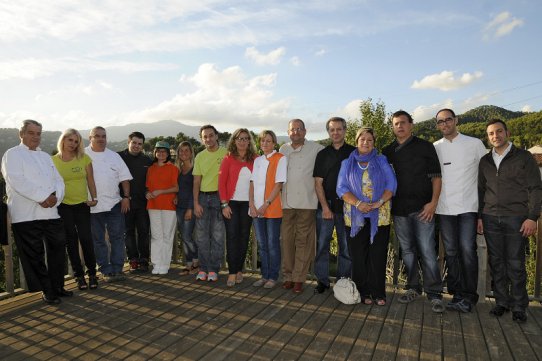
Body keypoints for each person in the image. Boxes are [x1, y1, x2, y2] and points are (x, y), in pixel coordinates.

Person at [478, 119, 542, 323]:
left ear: (507, 132)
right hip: (489, 217)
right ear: (488, 137)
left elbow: (535, 188)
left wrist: (532, 217)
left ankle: (519, 306)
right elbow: (481, 190)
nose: (495, 136)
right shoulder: (485, 161)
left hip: (516, 218)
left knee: (515, 263)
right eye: (491, 134)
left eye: (498, 132)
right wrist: (480, 216)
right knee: (496, 263)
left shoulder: (523, 157)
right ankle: (501, 302)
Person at [382, 110, 445, 313]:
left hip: (423, 209)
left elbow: (436, 177)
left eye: (403, 123)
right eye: (395, 124)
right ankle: (413, 288)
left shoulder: (425, 147)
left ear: (411, 125)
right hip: (399, 211)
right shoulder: (387, 151)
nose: (399, 126)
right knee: (407, 252)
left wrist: (433, 203)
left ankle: (434, 293)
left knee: (427, 251)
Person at [1, 119, 69, 304]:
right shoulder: (11, 154)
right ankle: (47, 291)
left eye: (38, 133)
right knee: (35, 255)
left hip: (51, 212)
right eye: (31, 133)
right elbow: (17, 180)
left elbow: (59, 180)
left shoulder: (46, 157)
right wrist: (43, 197)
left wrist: (55, 196)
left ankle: (57, 287)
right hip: (26, 215)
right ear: (21, 134)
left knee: (58, 249)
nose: (35, 137)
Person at [433, 109, 487, 313]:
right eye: (440, 121)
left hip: (468, 207)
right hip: (444, 208)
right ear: (437, 125)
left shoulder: (474, 144)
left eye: (448, 119)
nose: (445, 124)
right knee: (452, 252)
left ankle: (469, 296)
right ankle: (456, 293)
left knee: (467, 250)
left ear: (456, 120)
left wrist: (482, 212)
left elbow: (485, 177)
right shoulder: (435, 147)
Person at [337, 127, 396, 305]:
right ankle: (363, 292)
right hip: (355, 217)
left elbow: (392, 185)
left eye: (369, 140)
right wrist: (358, 204)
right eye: (362, 139)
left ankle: (379, 293)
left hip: (380, 216)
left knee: (377, 255)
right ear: (356, 142)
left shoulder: (381, 160)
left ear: (374, 143)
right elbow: (341, 188)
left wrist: (378, 203)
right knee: (358, 256)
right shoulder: (347, 163)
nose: (366, 142)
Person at [280, 119, 324, 293]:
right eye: (292, 129)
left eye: (299, 129)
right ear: (288, 131)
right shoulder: (283, 149)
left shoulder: (316, 148)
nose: (296, 132)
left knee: (303, 241)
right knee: (287, 240)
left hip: (307, 201)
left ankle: (299, 278)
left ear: (305, 131)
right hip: (286, 202)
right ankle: (288, 276)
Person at [53, 128, 99, 290]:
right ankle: (79, 277)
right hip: (63, 206)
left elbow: (91, 180)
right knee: (71, 241)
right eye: (70, 140)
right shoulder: (53, 161)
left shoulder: (84, 158)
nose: (72, 144)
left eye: (76, 141)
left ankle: (92, 274)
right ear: (63, 140)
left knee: (86, 239)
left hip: (82, 205)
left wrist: (94, 198)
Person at [313, 117, 355, 294]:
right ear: (328, 132)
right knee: (322, 245)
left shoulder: (354, 152)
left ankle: (342, 282)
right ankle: (322, 281)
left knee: (346, 247)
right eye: (332, 130)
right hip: (327, 206)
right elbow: (318, 183)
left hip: (348, 206)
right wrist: (325, 207)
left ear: (345, 130)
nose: (335, 132)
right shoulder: (322, 154)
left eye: (339, 129)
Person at [86, 126, 133, 283]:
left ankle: (118, 269)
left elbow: (124, 178)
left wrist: (126, 196)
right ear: (90, 138)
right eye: (97, 136)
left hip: (114, 204)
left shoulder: (114, 156)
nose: (101, 139)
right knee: (98, 240)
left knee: (117, 237)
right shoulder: (83, 155)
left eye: (103, 136)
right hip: (93, 206)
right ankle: (105, 270)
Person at [218, 129, 257, 287]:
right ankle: (233, 272)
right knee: (232, 237)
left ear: (249, 141)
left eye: (245, 138)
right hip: (231, 204)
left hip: (248, 204)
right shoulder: (228, 159)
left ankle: (239, 269)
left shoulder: (255, 159)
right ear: (234, 141)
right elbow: (221, 183)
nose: (242, 141)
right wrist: (224, 204)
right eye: (239, 138)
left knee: (244, 237)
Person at [250, 130, 287, 289]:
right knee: (262, 244)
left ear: (274, 143)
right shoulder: (257, 160)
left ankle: (273, 276)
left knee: (272, 244)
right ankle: (264, 275)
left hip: (272, 208)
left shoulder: (280, 158)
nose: (265, 143)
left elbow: (279, 184)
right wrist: (252, 204)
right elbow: (251, 183)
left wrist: (265, 204)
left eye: (269, 141)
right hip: (256, 209)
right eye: (263, 141)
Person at [193, 125, 228, 282]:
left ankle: (213, 269)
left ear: (216, 136)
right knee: (201, 236)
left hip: (220, 198)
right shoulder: (200, 156)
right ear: (202, 139)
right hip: (203, 198)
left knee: (218, 235)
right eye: (205, 136)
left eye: (211, 135)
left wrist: (225, 201)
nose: (208, 139)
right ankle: (203, 268)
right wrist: (195, 203)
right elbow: (196, 181)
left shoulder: (226, 154)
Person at [118, 132, 153, 273]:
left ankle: (144, 260)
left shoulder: (147, 160)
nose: (136, 146)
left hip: (143, 203)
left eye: (139, 144)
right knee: (129, 232)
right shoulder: (118, 157)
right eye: (134, 143)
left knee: (144, 232)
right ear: (128, 142)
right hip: (125, 202)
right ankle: (133, 259)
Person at [146, 141, 179, 275]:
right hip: (153, 205)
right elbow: (148, 187)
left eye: (164, 151)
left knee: (167, 235)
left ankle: (165, 264)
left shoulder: (173, 168)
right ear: (155, 153)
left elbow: (176, 188)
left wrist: (160, 191)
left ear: (168, 154)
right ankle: (156, 263)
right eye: (158, 151)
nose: (161, 153)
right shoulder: (151, 168)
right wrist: (147, 193)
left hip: (168, 206)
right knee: (156, 236)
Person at [175, 141, 199, 275]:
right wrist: (175, 196)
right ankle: (189, 264)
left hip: (190, 207)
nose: (183, 153)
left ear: (191, 153)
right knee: (184, 237)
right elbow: (178, 188)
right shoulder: (178, 169)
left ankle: (196, 260)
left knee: (186, 235)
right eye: (181, 151)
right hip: (179, 207)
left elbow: (194, 190)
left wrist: (190, 208)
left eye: (186, 151)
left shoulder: (195, 169)